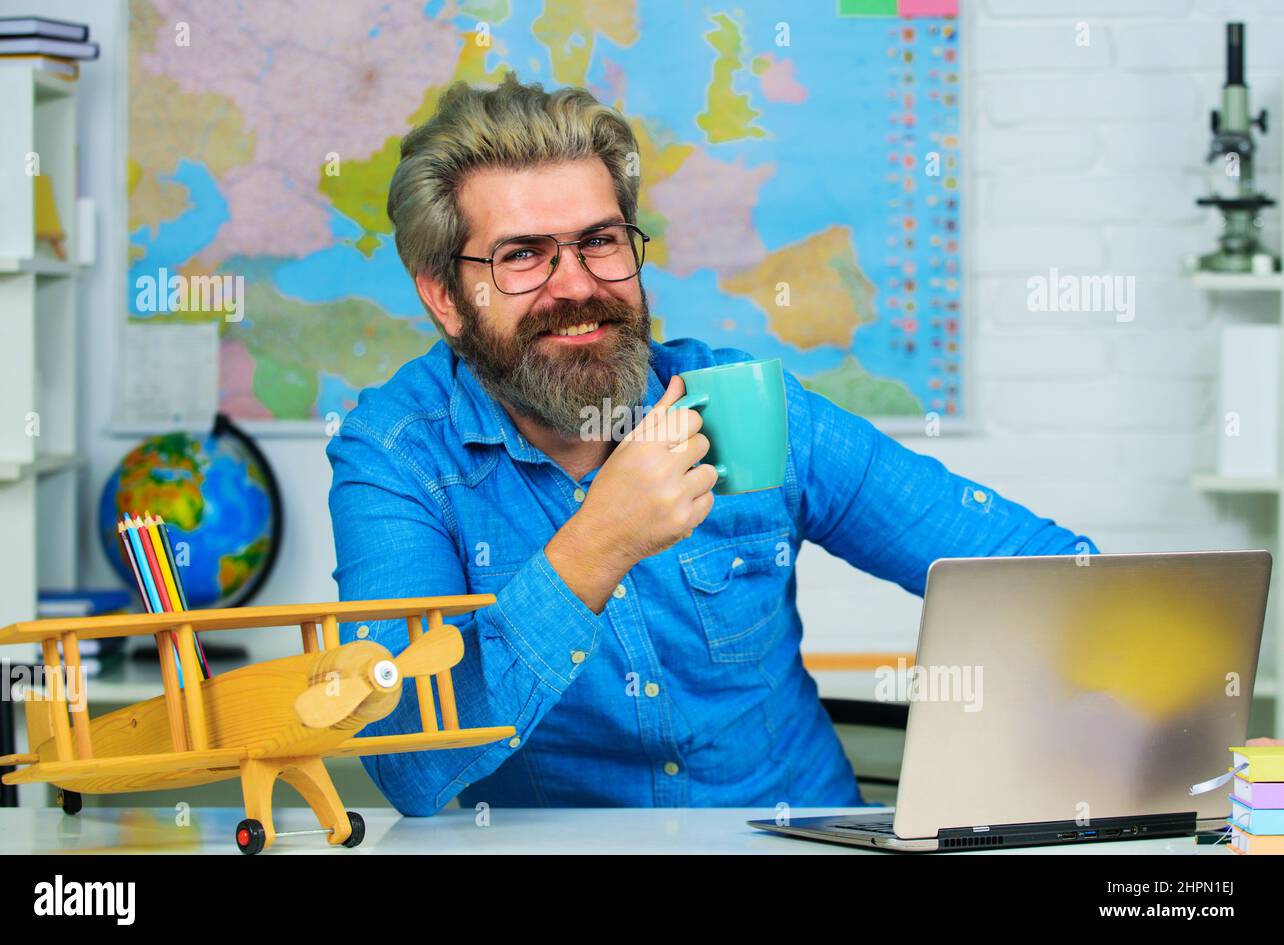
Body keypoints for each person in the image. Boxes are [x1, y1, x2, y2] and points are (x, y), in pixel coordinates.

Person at [326, 73, 1098, 815]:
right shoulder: (397, 459)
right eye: (524, 255)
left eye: (601, 240)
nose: (578, 285)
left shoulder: (741, 403)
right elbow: (408, 762)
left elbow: (1033, 567)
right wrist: (598, 543)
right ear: (445, 298)